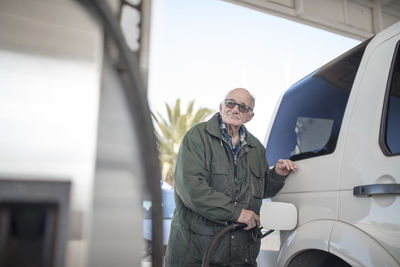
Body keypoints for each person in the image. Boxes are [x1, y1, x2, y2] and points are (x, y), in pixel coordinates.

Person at [165, 88, 297, 267]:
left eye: (243, 107)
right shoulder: (197, 137)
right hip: (197, 255)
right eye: (230, 103)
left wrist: (277, 175)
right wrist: (237, 213)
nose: (235, 109)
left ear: (250, 116)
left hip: (240, 257)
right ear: (221, 107)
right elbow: (191, 189)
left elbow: (260, 190)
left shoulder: (256, 148)